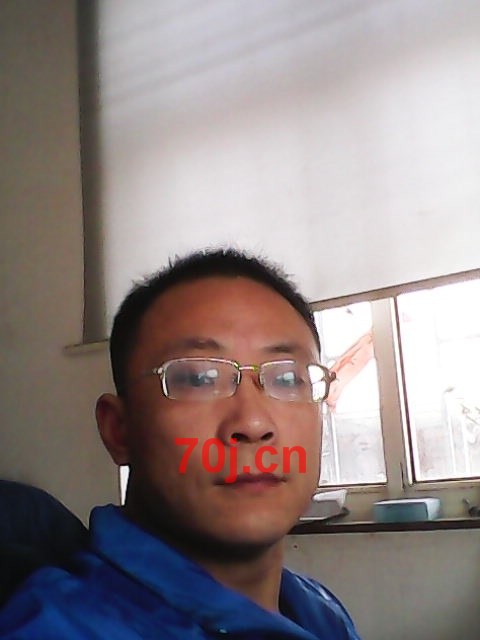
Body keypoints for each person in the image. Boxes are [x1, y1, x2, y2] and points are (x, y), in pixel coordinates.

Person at [0, 248, 362, 639]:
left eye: (288, 379)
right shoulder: (56, 628)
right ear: (119, 429)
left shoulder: (320, 611)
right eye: (199, 379)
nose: (254, 423)